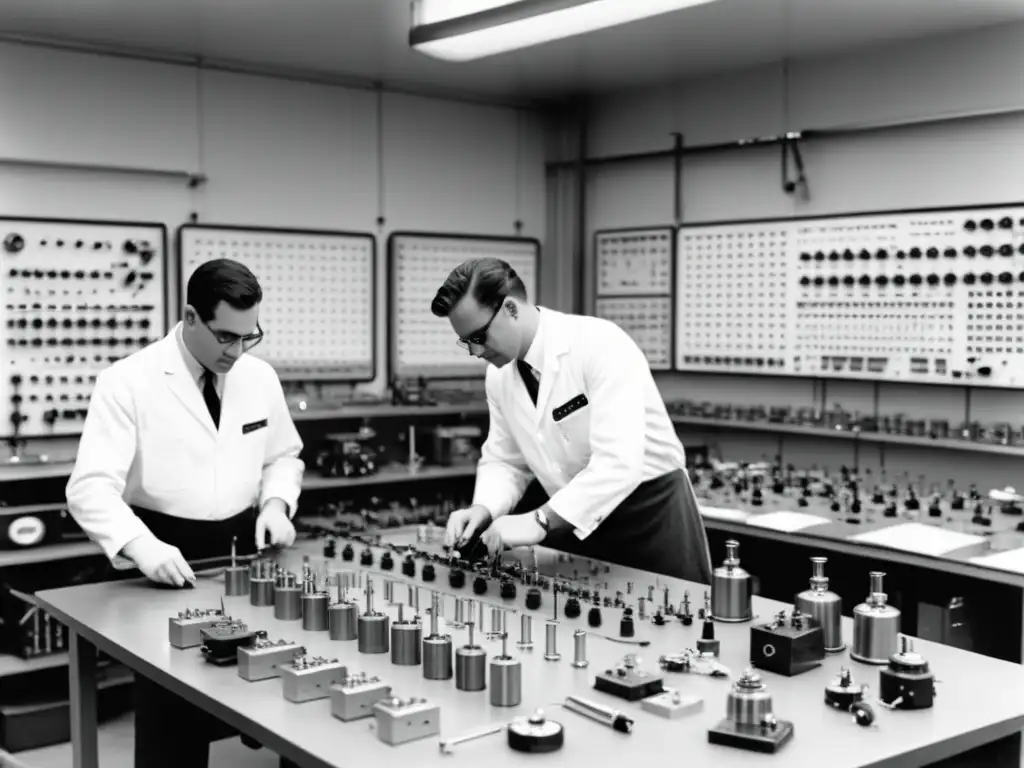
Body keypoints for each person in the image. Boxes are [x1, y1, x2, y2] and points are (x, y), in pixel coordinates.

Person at [66, 258, 304, 768]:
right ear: (190, 317)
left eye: (249, 337)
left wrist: (278, 504)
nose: (236, 351)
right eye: (225, 337)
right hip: (163, 558)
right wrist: (142, 546)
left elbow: (284, 455)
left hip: (246, 550)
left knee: (279, 696)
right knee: (171, 719)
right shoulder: (127, 381)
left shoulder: (258, 377)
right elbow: (89, 489)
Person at [431, 257, 713, 584]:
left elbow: (619, 462)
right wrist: (484, 509)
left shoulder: (599, 343)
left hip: (650, 519)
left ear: (510, 308)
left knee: (675, 623)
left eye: (479, 336)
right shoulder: (499, 377)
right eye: (465, 341)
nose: (474, 352)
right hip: (574, 521)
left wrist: (538, 521)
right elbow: (505, 461)